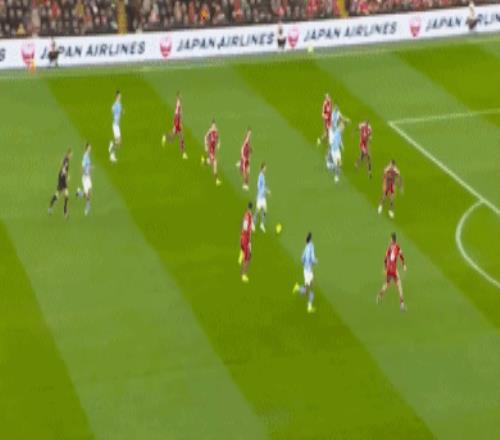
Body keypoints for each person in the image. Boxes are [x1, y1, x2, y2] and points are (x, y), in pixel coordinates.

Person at [377, 232, 407, 311]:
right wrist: (404, 265)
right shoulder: (397, 247)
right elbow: (401, 255)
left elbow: (385, 259)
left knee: (387, 283)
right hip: (393, 270)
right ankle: (402, 304)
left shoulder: (389, 248)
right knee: (399, 285)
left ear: (391, 239)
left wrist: (385, 269)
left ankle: (379, 296)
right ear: (396, 239)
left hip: (388, 269)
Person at [293, 232, 317, 313]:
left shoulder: (306, 247)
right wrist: (315, 261)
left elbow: (302, 258)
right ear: (311, 239)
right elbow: (312, 259)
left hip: (305, 270)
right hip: (308, 271)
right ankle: (309, 306)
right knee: (309, 289)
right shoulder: (311, 246)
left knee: (309, 287)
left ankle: (298, 288)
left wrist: (305, 264)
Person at [162, 91, 187, 159]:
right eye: (180, 95)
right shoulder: (179, 103)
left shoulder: (178, 102)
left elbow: (178, 113)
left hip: (177, 120)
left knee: (175, 136)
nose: (181, 96)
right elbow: (178, 113)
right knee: (180, 136)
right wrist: (179, 123)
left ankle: (166, 137)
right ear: (178, 96)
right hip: (177, 121)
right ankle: (183, 153)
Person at [48, 148, 72, 219]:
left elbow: (62, 165)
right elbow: (64, 170)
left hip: (62, 178)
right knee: (59, 194)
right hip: (62, 179)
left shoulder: (65, 159)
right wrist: (67, 176)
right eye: (71, 154)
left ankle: (64, 212)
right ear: (68, 154)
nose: (71, 156)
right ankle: (51, 207)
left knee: (65, 195)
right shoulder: (66, 160)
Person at [202, 118, 221, 186]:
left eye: (214, 125)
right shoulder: (210, 131)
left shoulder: (216, 131)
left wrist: (218, 144)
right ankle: (216, 180)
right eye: (213, 126)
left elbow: (218, 138)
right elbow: (205, 137)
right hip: (210, 149)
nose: (214, 127)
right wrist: (205, 145)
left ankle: (204, 162)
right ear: (211, 125)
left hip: (213, 149)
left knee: (210, 162)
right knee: (215, 162)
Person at [238, 202, 254, 283]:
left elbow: (241, 223)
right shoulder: (249, 217)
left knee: (247, 254)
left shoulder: (246, 214)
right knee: (248, 258)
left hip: (243, 238)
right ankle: (243, 275)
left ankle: (241, 254)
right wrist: (247, 235)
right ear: (251, 208)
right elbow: (245, 227)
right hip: (246, 240)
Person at [254, 162, 270, 232]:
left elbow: (263, 186)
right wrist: (265, 190)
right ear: (262, 168)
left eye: (265, 168)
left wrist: (266, 190)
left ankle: (262, 224)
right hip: (260, 197)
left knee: (264, 210)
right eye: (264, 168)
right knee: (257, 211)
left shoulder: (263, 176)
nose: (265, 169)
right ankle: (253, 224)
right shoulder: (260, 176)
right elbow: (258, 186)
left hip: (263, 197)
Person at [76, 143, 92, 216]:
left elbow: (87, 166)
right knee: (87, 193)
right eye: (89, 147)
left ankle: (79, 194)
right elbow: (82, 167)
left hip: (87, 176)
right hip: (85, 177)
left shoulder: (88, 155)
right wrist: (84, 175)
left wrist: (90, 169)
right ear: (86, 148)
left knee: (89, 191)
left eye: (90, 147)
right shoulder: (85, 156)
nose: (90, 149)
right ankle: (86, 207)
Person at [108, 91, 122, 163]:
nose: (120, 97)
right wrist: (116, 116)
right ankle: (112, 155)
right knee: (118, 141)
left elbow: (119, 111)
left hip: (117, 125)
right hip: (115, 125)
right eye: (119, 96)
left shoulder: (119, 104)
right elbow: (112, 109)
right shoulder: (115, 104)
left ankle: (112, 145)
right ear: (116, 97)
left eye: (120, 96)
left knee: (119, 142)